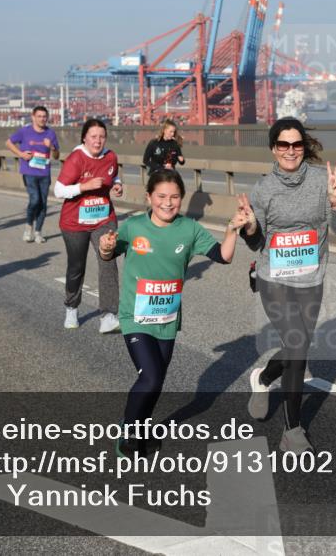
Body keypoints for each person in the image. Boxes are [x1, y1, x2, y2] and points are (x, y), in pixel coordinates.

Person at [106, 169, 248, 457]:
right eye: (161, 197)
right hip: (135, 317)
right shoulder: (133, 227)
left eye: (174, 197)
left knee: (157, 380)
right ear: (149, 197)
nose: (167, 203)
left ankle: (142, 427)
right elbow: (108, 252)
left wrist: (232, 229)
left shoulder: (189, 229)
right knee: (151, 378)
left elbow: (223, 256)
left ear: (182, 199)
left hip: (167, 319)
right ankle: (128, 434)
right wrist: (105, 246)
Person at [237, 118, 336, 454]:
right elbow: (255, 242)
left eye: (296, 144)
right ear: (274, 148)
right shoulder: (264, 189)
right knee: (298, 345)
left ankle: (264, 378)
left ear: (304, 147)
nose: (290, 151)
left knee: (296, 347)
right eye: (283, 145)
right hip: (274, 279)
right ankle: (292, 431)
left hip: (311, 279)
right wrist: (251, 227)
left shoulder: (321, 181)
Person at [54, 118, 124, 332]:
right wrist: (83, 187)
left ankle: (109, 315)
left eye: (102, 136)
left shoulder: (111, 157)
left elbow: (114, 174)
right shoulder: (76, 159)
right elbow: (59, 190)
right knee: (77, 266)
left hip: (103, 218)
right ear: (84, 138)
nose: (98, 141)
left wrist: (118, 185)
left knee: (108, 260)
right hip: (75, 222)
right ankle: (72, 307)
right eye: (93, 137)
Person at [6, 105, 59, 243]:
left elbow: (57, 155)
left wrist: (52, 147)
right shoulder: (24, 131)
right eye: (39, 116)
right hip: (29, 171)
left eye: (44, 116)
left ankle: (38, 232)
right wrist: (21, 154)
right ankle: (28, 226)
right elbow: (9, 142)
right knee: (35, 199)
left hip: (44, 172)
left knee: (43, 203)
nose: (42, 119)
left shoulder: (50, 133)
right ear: (33, 117)